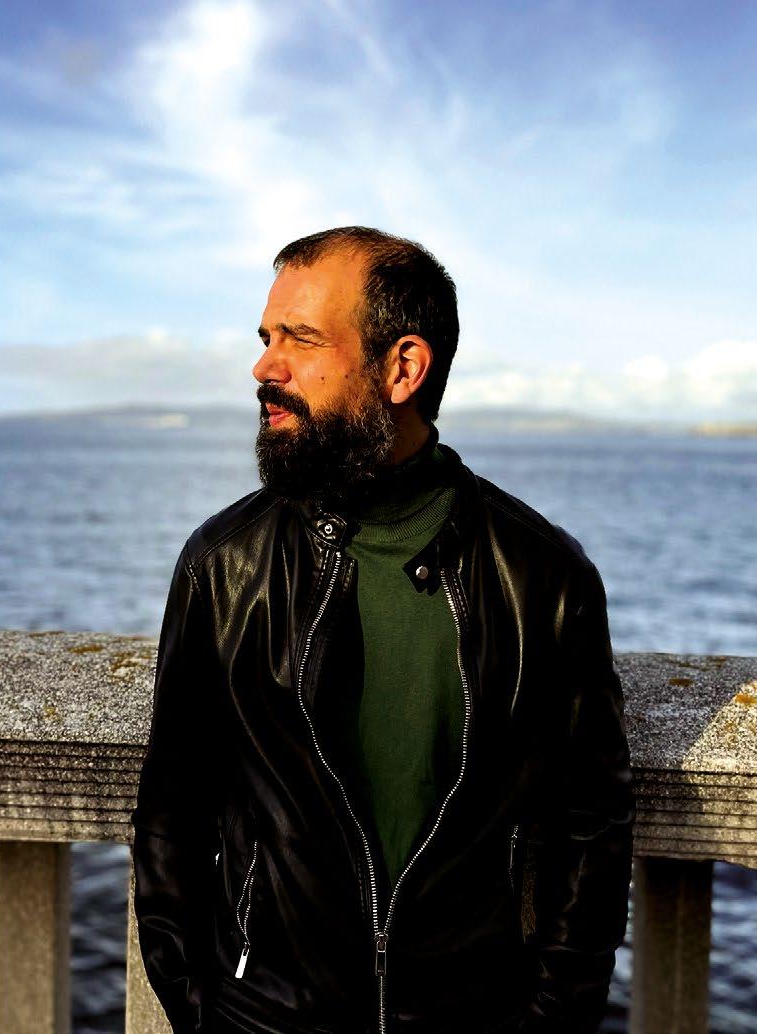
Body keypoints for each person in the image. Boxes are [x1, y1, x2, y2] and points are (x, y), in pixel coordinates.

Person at [130, 226, 633, 1034]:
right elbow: (172, 809)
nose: (264, 368)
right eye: (266, 338)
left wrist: (550, 1022)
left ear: (402, 369)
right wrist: (202, 1010)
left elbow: (590, 831)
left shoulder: (544, 578)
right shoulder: (223, 565)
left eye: (300, 339)